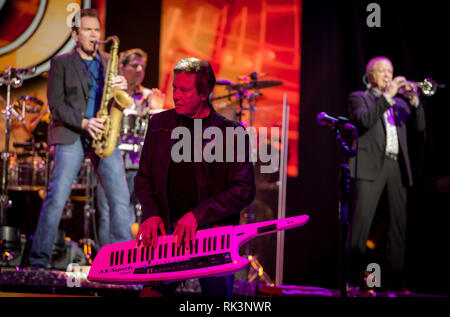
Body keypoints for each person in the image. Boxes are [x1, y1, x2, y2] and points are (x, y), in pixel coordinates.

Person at [134, 57, 255, 297]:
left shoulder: (231, 133)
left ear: (204, 94)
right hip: (169, 237)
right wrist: (151, 213)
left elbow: (244, 189)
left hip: (214, 237)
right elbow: (143, 179)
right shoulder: (159, 124)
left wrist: (197, 216)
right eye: (174, 89)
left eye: (184, 90)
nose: (176, 95)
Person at [28, 8, 132, 269]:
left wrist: (122, 86)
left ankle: (122, 263)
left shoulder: (109, 60)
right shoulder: (60, 63)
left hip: (105, 134)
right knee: (57, 196)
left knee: (120, 199)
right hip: (72, 134)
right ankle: (38, 261)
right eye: (87, 30)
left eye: (96, 30)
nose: (94, 35)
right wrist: (84, 122)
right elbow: (56, 105)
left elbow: (117, 95)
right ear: (75, 34)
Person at [348, 56, 426, 293]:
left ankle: (397, 283)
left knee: (398, 228)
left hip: (396, 167)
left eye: (390, 72)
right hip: (370, 165)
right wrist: (387, 97)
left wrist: (415, 103)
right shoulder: (359, 98)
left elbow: (420, 131)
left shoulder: (400, 105)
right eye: (382, 71)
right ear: (370, 75)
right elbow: (363, 121)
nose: (387, 76)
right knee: (361, 226)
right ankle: (352, 281)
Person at [96, 48, 165, 247]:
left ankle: (131, 259)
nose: (139, 70)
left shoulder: (150, 95)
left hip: (139, 164)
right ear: (121, 67)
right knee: (108, 212)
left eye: (142, 67)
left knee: (138, 213)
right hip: (111, 157)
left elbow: (163, 135)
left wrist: (157, 110)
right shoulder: (109, 92)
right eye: (134, 65)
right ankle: (104, 258)